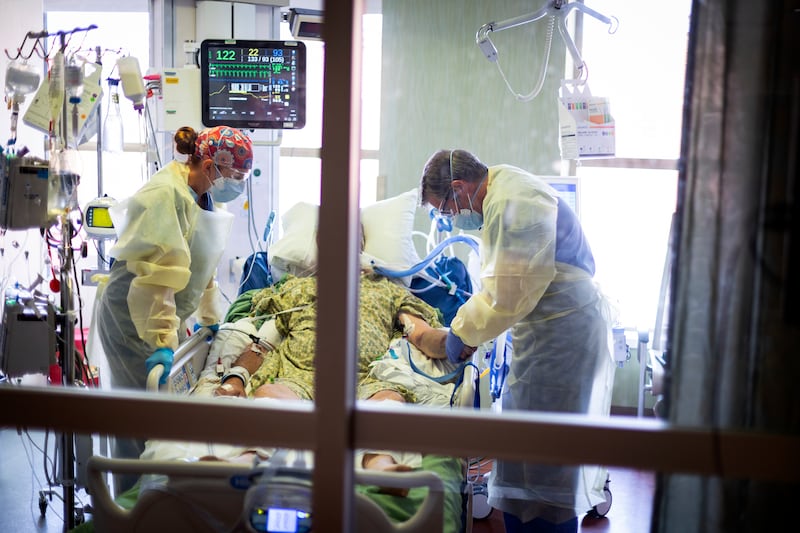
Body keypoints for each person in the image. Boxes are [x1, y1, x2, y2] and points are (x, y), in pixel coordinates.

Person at [418, 149, 615, 533]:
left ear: (459, 188)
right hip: (548, 331)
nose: (450, 219)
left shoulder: (514, 202)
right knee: (528, 452)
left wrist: (460, 333)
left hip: (563, 338)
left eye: (445, 210)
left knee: (547, 459)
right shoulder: (502, 188)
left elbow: (504, 295)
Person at [93, 125, 253, 485]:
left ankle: (155, 491)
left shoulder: (204, 196)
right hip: (132, 315)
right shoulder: (164, 195)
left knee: (155, 417)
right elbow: (156, 280)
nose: (237, 185)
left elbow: (203, 264)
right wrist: (164, 342)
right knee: (137, 419)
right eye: (235, 176)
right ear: (210, 165)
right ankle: (133, 502)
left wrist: (210, 317)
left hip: (159, 311)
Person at [213, 269, 448, 480]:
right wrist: (236, 378)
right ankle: (250, 458)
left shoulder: (388, 290)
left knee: (388, 401)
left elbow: (421, 335)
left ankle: (380, 464)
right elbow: (262, 342)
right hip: (300, 376)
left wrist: (452, 343)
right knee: (270, 395)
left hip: (364, 379)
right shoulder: (298, 287)